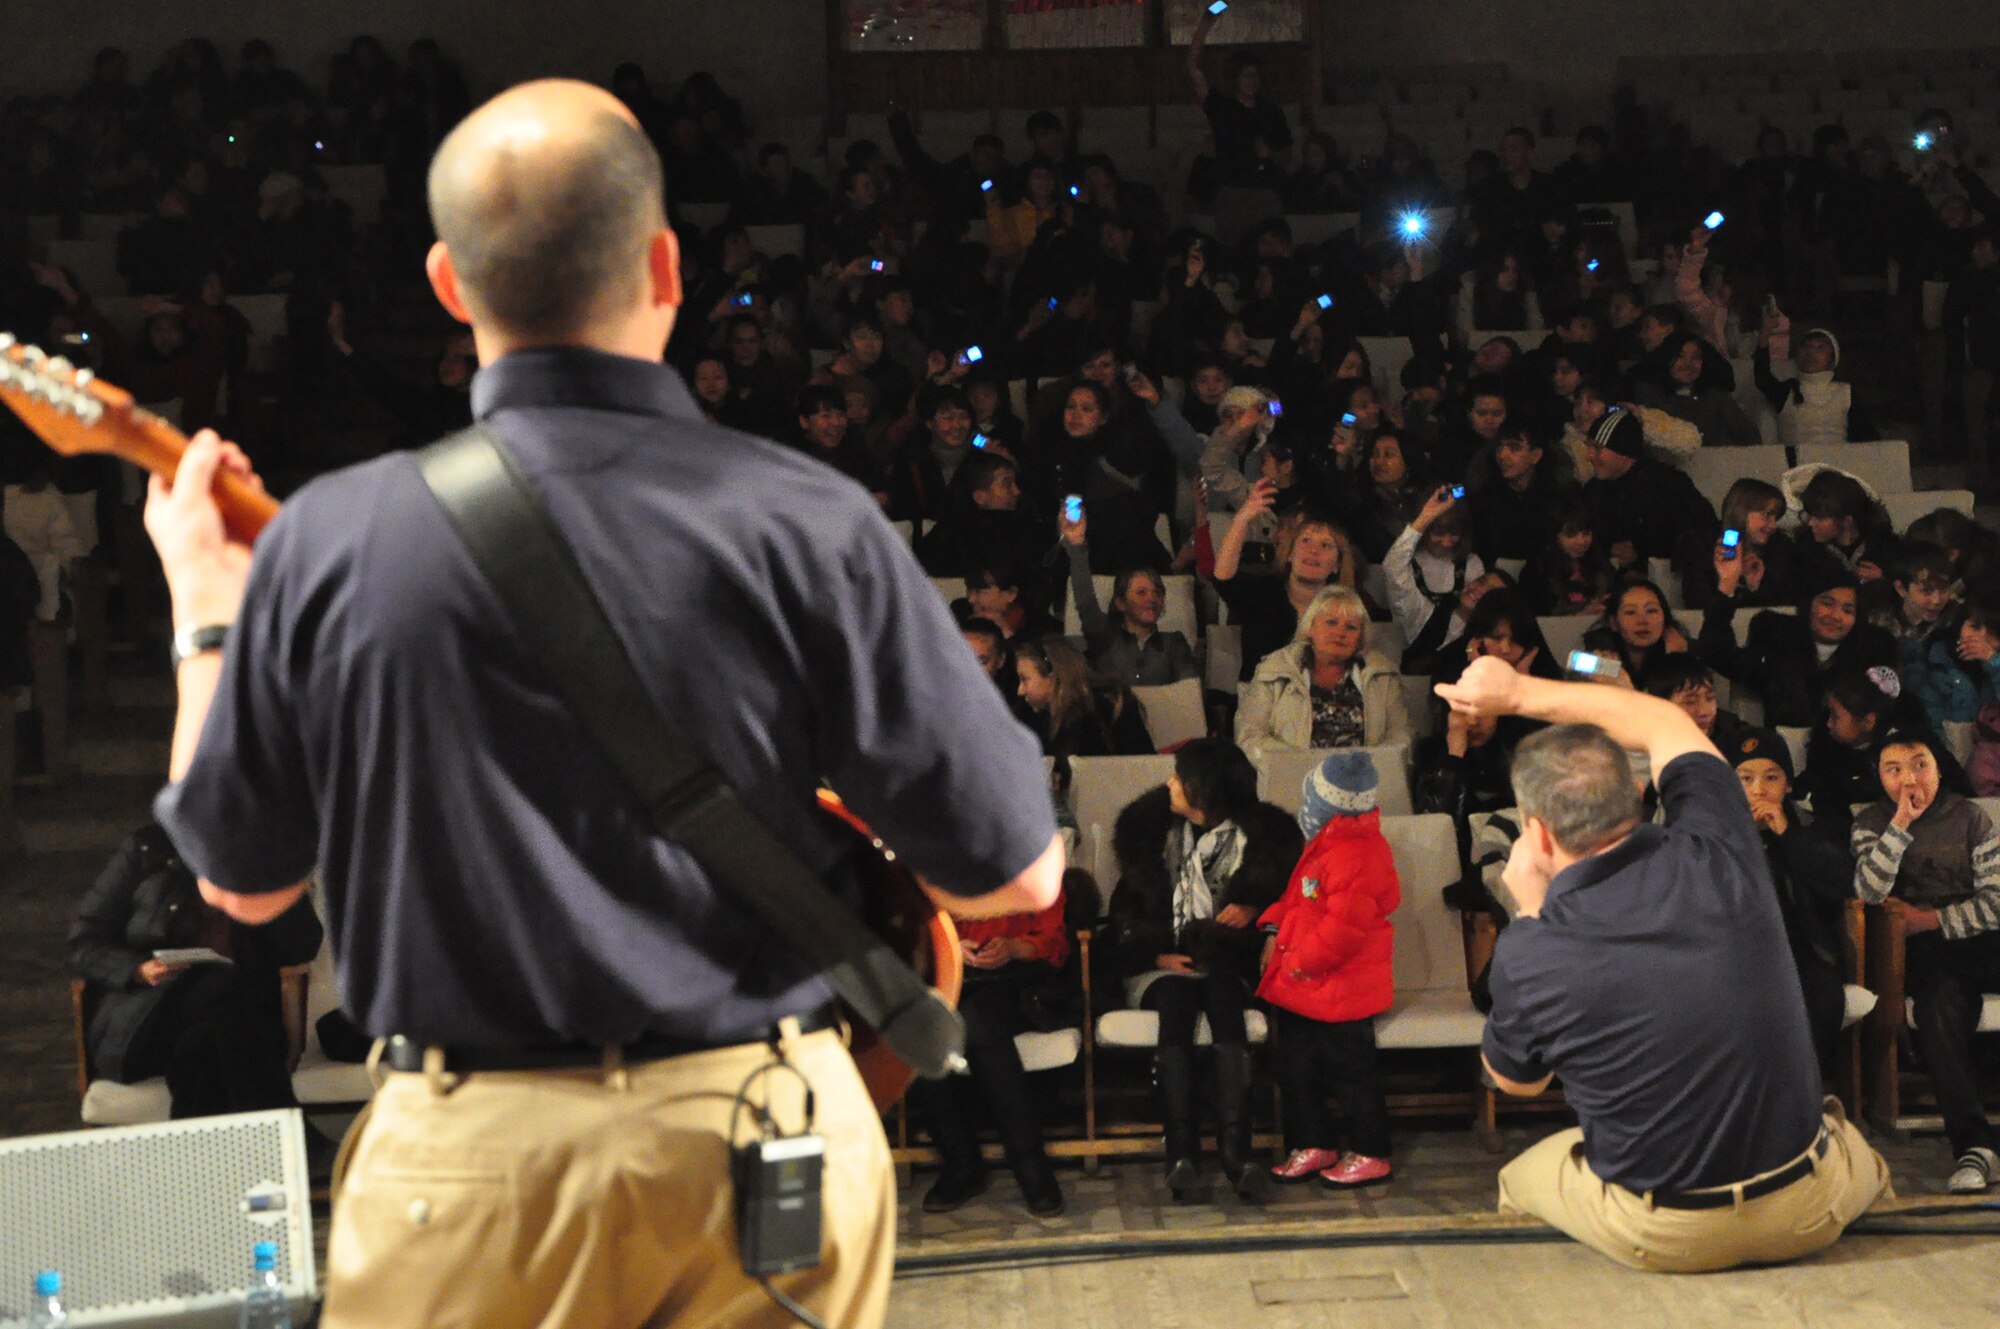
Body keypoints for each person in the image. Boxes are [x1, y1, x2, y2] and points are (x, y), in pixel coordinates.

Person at [143, 80, 1064, 1329]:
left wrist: (209, 608)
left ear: (449, 285)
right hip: (755, 1133)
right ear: (668, 266)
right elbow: (1015, 882)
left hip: (467, 1162)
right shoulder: (807, 521)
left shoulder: (330, 541)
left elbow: (242, 886)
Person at [1435, 655, 1889, 1272]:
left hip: (1670, 1230)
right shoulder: (1723, 843)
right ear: (1640, 794)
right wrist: (1515, 691)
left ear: (1537, 837)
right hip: (1804, 1206)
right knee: (1850, 1146)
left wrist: (1530, 913)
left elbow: (1517, 1081)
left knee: (1523, 1176)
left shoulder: (1533, 946)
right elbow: (1662, 721)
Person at [1110, 739, 1303, 1199]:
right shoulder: (1152, 832)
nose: (1170, 784)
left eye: (1180, 777)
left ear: (1205, 789)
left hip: (1225, 964)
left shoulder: (1259, 842)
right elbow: (1123, 918)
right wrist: (1153, 954)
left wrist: (1254, 913)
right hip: (1159, 965)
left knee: (1222, 1000)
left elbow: (1287, 908)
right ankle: (1181, 1152)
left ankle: (1237, 1152)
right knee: (1176, 1000)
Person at [65, 823, 325, 1129]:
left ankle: (194, 1163)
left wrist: (274, 880)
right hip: (148, 1021)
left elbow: (302, 947)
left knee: (201, 1048)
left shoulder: (266, 856)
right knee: (222, 990)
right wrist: (137, 968)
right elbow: (82, 945)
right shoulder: (149, 849)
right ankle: (294, 1139)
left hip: (236, 1021)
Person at [1852, 727, 2000, 1192]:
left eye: (1920, 765)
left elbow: (1997, 902)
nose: (1909, 778)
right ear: (1879, 776)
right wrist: (1899, 826)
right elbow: (1869, 892)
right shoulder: (1870, 822)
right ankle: (1976, 1148)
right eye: (1893, 769)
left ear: (1938, 768)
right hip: (1919, 955)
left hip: (1977, 938)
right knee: (1938, 1005)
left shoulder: (1970, 817)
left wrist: (1931, 918)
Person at [1260, 752, 1400, 1189]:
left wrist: (1300, 962)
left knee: (1352, 1073)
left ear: (1327, 805)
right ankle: (1314, 1141)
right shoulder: (1324, 846)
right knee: (1298, 1068)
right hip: (1308, 987)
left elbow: (1345, 929)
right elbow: (1300, 900)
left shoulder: (1357, 853)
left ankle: (1372, 1150)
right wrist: (1272, 925)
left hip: (1342, 989)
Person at [912, 883, 1070, 1218]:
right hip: (962, 982)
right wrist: (954, 947)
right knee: (926, 1028)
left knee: (977, 1023)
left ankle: (1020, 1164)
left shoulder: (1032, 868)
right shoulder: (949, 871)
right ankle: (964, 1161)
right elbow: (923, 930)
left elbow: (1055, 943)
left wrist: (1014, 948)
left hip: (1021, 985)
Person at [1730, 729, 1853, 1075]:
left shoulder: (1811, 826)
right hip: (1735, 948)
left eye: (1771, 777)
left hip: (1802, 947)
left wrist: (1788, 834)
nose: (1758, 790)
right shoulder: (1716, 831)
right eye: (1746, 778)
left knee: (1824, 997)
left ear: (1787, 784)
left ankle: (1803, 1095)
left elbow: (1841, 883)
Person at [1235, 585, 1409, 759]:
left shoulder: (1383, 676)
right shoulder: (1274, 670)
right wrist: (1296, 763)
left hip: (1366, 779)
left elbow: (1401, 736)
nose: (1340, 633)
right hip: (1290, 778)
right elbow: (1250, 736)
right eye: (1331, 623)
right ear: (1310, 628)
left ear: (1360, 638)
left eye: (1351, 627)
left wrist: (1372, 766)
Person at [1061, 510, 1197, 687]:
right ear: (1120, 603)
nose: (1152, 598)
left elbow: (1189, 692)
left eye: (1157, 592)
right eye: (1141, 592)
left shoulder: (1173, 643)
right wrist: (1077, 546)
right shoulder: (1105, 636)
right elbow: (1085, 603)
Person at [1014, 635, 1154, 758]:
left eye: (1024, 679)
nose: (1020, 691)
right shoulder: (1030, 719)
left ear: (1052, 676)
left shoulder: (1104, 709)